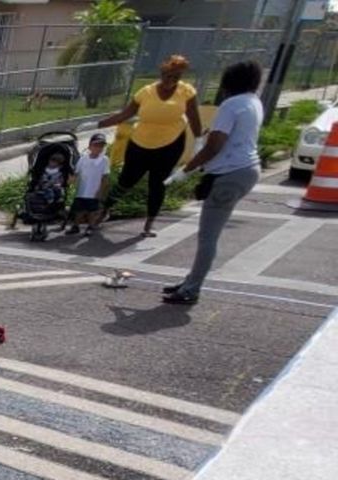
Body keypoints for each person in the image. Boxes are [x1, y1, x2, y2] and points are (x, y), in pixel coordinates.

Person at [161, 61, 264, 305]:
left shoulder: (231, 105)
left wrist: (185, 171)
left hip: (230, 173)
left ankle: (191, 289)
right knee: (210, 234)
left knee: (208, 236)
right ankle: (190, 281)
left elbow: (215, 145)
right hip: (246, 169)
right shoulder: (254, 102)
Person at [86, 55, 203, 237]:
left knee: (158, 184)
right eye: (167, 76)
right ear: (161, 74)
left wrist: (199, 143)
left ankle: (149, 224)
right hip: (140, 143)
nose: (170, 81)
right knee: (127, 180)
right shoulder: (146, 92)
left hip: (170, 145)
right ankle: (104, 211)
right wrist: (97, 125)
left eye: (175, 78)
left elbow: (195, 119)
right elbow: (124, 115)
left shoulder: (186, 92)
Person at [67, 133, 111, 236]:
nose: (98, 148)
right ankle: (75, 226)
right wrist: (71, 180)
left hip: (94, 190)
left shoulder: (104, 160)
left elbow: (105, 177)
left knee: (92, 210)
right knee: (79, 210)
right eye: (96, 145)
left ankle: (90, 226)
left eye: (101, 146)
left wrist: (100, 191)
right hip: (81, 190)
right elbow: (77, 172)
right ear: (90, 146)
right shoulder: (83, 158)